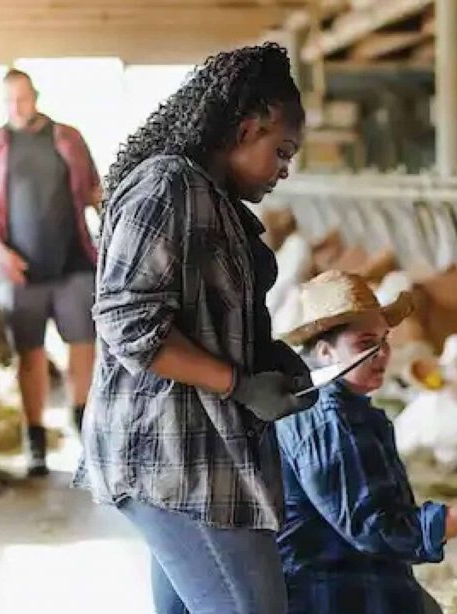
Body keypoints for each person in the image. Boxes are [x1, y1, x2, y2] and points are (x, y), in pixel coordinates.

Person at [73, 43, 316, 614]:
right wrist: (238, 383)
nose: (285, 169)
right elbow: (125, 319)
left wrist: (268, 359)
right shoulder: (167, 186)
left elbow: (201, 316)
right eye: (281, 151)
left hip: (199, 449)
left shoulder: (215, 198)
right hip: (167, 451)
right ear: (245, 128)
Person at [276, 270, 457, 614]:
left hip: (352, 573)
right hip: (330, 590)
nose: (382, 354)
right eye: (366, 344)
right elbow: (376, 528)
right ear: (325, 351)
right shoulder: (330, 422)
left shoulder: (335, 404)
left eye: (384, 341)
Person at [0, 68, 100, 477]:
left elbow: (94, 190)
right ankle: (35, 442)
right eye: (9, 100)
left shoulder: (68, 138)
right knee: (31, 355)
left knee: (84, 347)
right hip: (20, 269)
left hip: (74, 262)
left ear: (36, 95)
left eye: (22, 98)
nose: (16, 107)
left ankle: (85, 433)